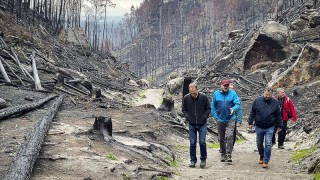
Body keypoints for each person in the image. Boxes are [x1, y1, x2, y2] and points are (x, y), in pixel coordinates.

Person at [248, 87, 283, 168]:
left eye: (269, 95)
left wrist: (280, 125)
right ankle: (262, 155)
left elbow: (278, 115)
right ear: (263, 92)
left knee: (268, 143)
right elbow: (252, 112)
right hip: (259, 125)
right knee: (259, 143)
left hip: (270, 126)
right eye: (266, 94)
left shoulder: (275, 103)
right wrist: (250, 122)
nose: (267, 96)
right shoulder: (257, 101)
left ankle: (266, 160)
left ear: (272, 94)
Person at [182, 83, 211, 168]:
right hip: (192, 123)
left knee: (202, 142)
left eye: (194, 93)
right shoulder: (186, 98)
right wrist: (188, 117)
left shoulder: (203, 96)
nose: (192, 94)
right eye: (191, 93)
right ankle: (193, 161)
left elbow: (208, 108)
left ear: (197, 89)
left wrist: (205, 116)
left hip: (202, 123)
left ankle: (203, 159)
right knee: (192, 143)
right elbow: (184, 109)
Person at [211, 79, 241, 162]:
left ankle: (228, 154)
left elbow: (238, 104)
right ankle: (223, 154)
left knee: (229, 136)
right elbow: (213, 106)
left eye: (227, 85)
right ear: (221, 85)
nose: (226, 87)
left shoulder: (233, 93)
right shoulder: (216, 94)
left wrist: (234, 108)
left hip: (231, 118)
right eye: (224, 85)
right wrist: (215, 116)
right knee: (221, 137)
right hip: (220, 119)